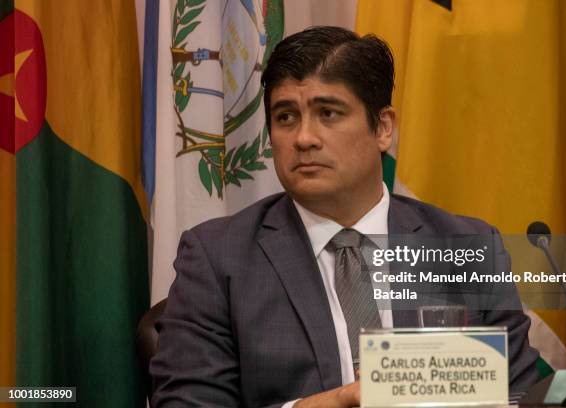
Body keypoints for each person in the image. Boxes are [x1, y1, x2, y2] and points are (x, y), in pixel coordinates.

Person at [150, 26, 540, 407]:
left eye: (328, 113)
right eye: (286, 117)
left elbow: (519, 395)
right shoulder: (218, 258)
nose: (304, 138)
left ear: (383, 128)